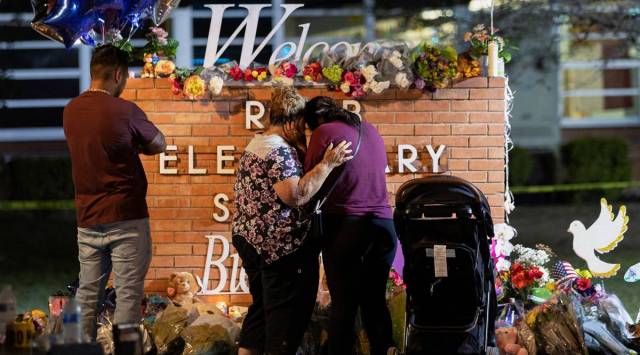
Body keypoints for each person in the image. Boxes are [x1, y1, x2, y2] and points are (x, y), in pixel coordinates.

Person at [232, 87, 352, 355]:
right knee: (283, 321)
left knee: (261, 310)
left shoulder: (257, 143)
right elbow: (296, 195)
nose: (305, 131)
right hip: (279, 248)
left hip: (252, 241)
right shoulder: (278, 151)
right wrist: (327, 164)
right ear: (293, 120)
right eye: (303, 125)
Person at [63, 45, 166, 340]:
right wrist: (136, 145)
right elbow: (159, 143)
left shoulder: (70, 111)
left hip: (87, 218)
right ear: (118, 74)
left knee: (86, 295)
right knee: (128, 297)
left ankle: (79, 350)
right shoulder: (125, 111)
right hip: (126, 218)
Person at [304, 96, 399, 355]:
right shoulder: (368, 128)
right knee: (375, 301)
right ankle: (386, 349)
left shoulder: (323, 132)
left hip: (347, 226)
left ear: (314, 121)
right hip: (383, 225)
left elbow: (309, 181)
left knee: (344, 305)